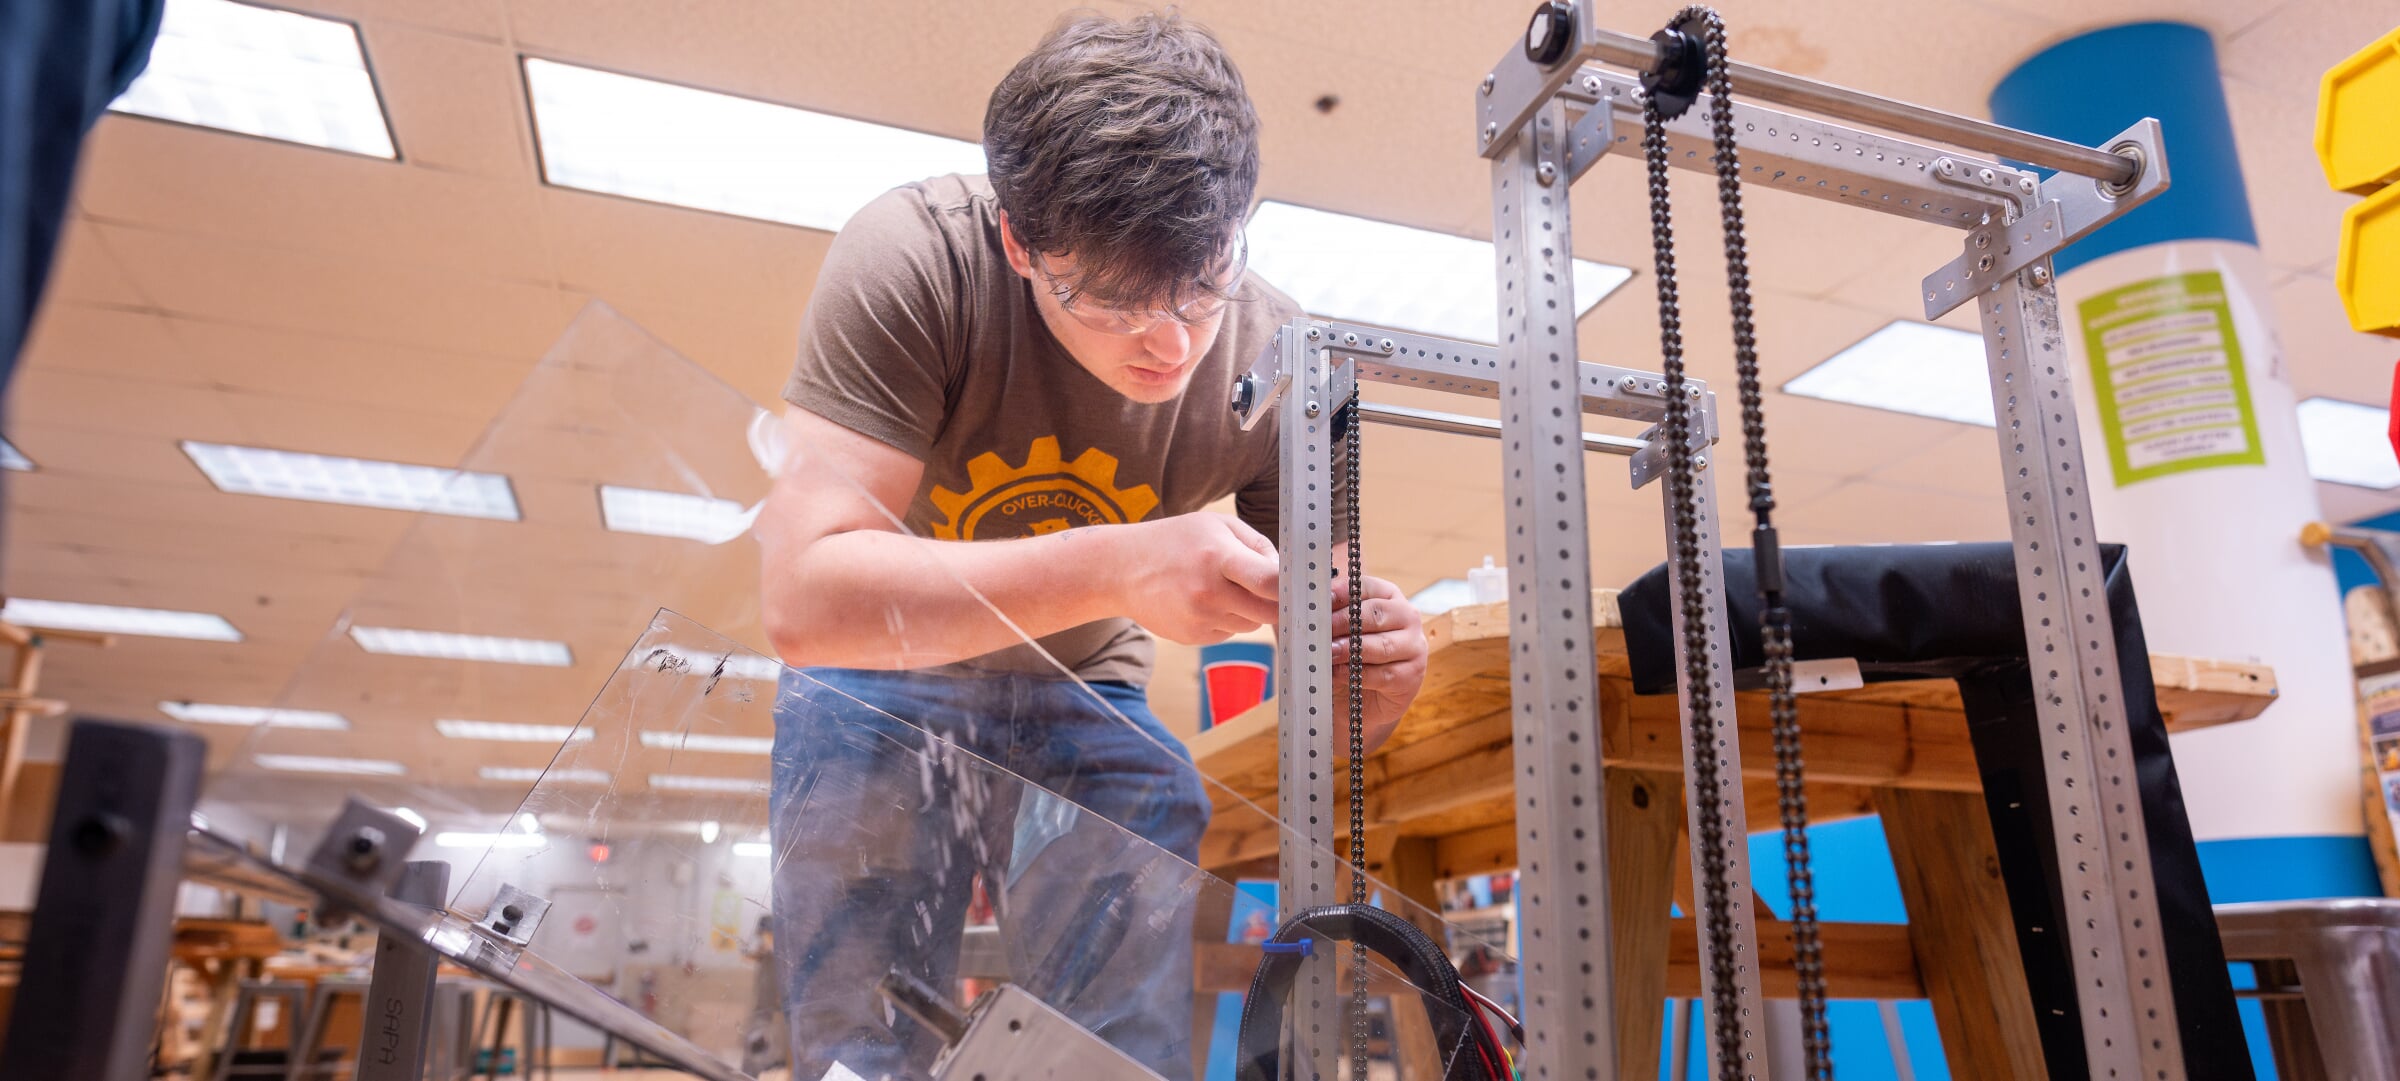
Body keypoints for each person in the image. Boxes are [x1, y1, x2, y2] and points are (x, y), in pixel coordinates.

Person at [754, 12, 1429, 1080]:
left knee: (1137, 886)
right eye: (1112, 301)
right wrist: (1121, 562)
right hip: (877, 672)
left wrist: (1361, 684)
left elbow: (1323, 638)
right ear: (1020, 241)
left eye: (1206, 282)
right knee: (859, 1044)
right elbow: (805, 599)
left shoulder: (1289, 360)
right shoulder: (915, 256)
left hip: (1082, 682)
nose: (1170, 342)